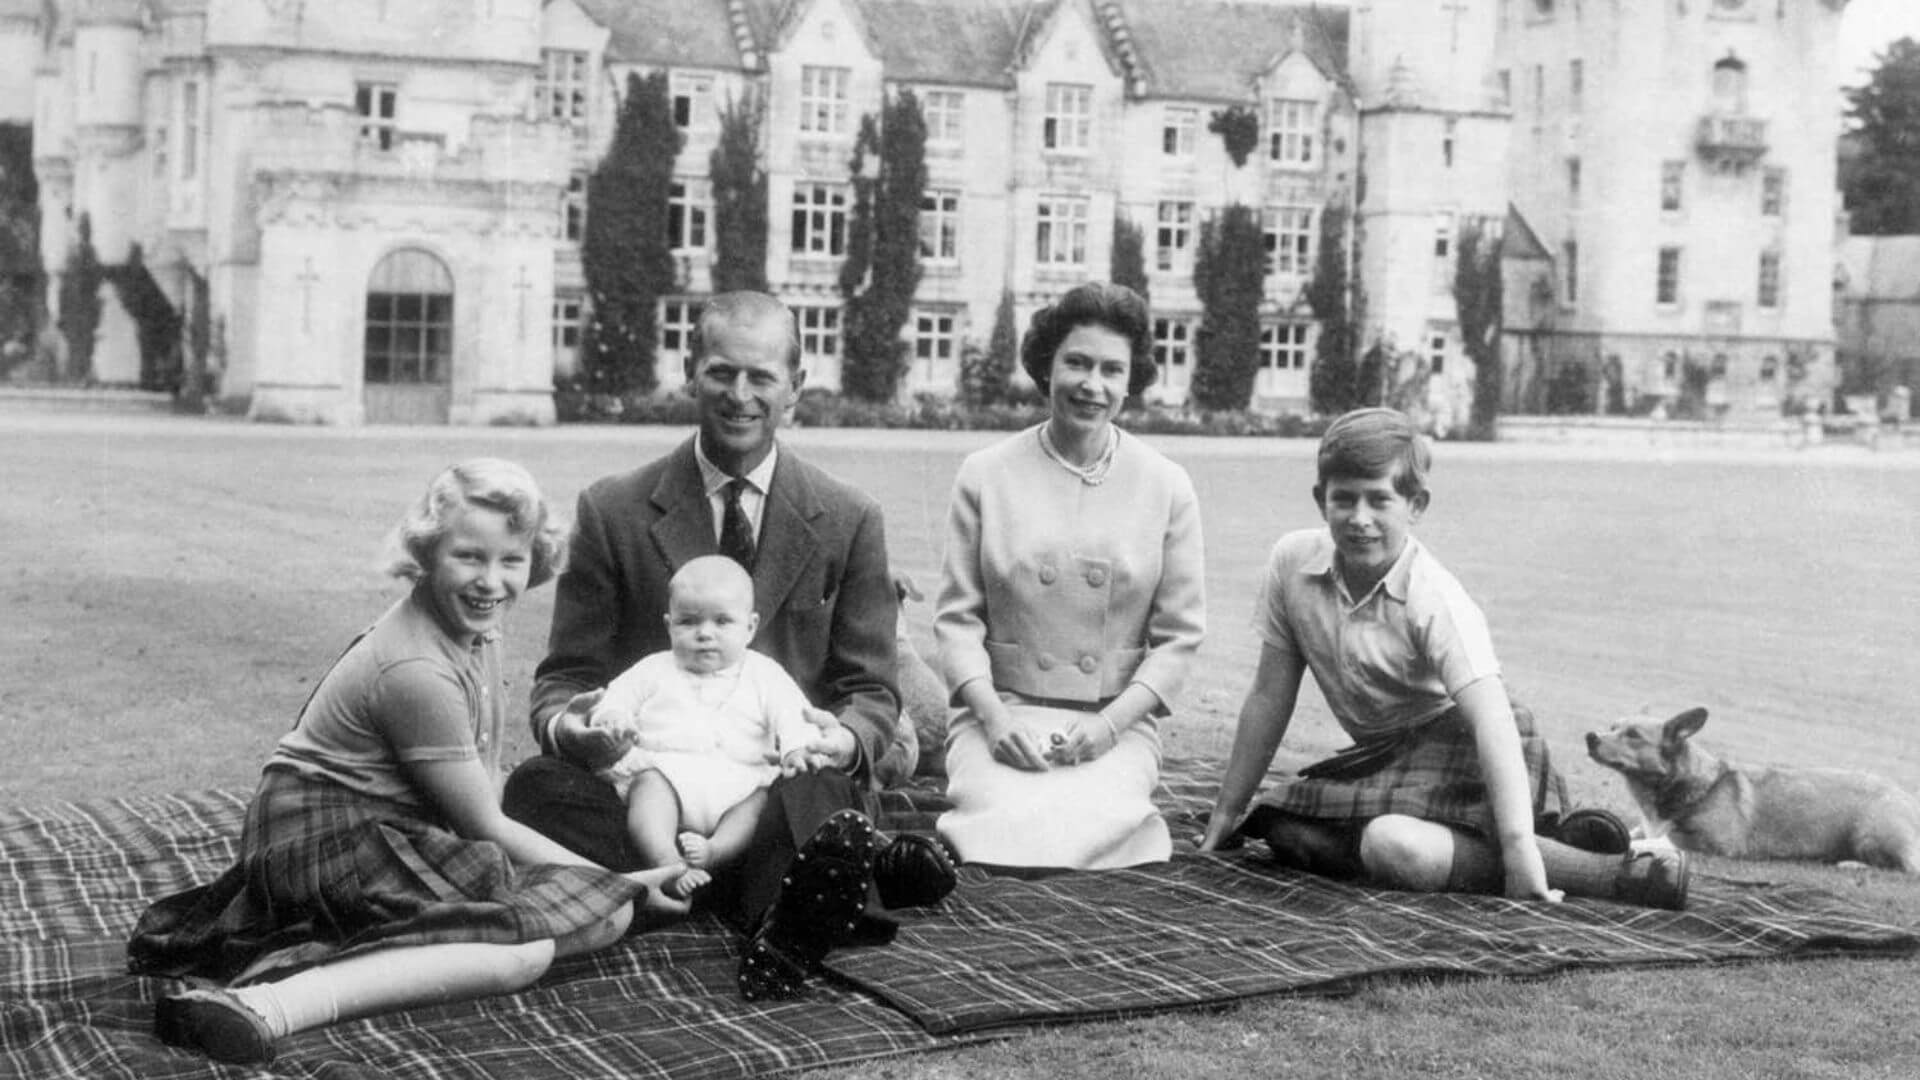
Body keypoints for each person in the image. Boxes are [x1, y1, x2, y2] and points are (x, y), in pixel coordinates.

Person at [127, 460, 689, 1065]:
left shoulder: (476, 630)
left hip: (388, 830)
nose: (491, 581)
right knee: (527, 949)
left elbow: (484, 778)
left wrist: (599, 881)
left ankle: (364, 948)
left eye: (511, 561)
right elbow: (486, 825)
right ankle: (268, 1003)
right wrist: (621, 881)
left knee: (596, 916)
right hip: (320, 837)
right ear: (426, 552)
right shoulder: (415, 669)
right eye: (469, 557)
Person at [501, 291, 955, 1001]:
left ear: (795, 389)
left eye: (761, 377)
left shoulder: (849, 517)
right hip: (645, 787)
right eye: (721, 373)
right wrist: (575, 726)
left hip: (776, 788)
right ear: (690, 372)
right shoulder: (613, 509)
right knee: (536, 788)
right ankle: (800, 894)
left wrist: (843, 740)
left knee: (826, 791)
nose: (739, 395)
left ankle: (683, 893)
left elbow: (871, 690)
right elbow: (565, 677)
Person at [1198, 408, 1690, 910]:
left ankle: (1616, 872)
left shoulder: (1434, 596)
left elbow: (1492, 718)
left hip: (1471, 744)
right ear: (1320, 499)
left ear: (1416, 505)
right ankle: (1561, 837)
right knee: (1280, 828)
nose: (1359, 518)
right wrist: (1225, 812)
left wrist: (1519, 850)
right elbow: (1269, 695)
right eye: (1343, 499)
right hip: (1385, 758)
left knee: (1391, 845)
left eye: (1379, 500)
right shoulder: (1291, 563)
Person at [934, 281, 1205, 870]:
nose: (1092, 385)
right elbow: (956, 621)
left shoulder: (1166, 485)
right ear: (1045, 367)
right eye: (1076, 363)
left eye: (1112, 369)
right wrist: (995, 718)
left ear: (1132, 380)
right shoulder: (984, 475)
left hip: (1111, 721)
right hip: (1002, 712)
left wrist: (1111, 727)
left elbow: (1181, 638)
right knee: (1004, 824)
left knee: (1092, 827)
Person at [588, 555, 820, 898]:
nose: (705, 634)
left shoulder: (765, 674)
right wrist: (614, 718)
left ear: (750, 626)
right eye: (689, 622)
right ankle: (667, 863)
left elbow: (793, 713)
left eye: (723, 621)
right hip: (668, 773)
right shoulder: (653, 669)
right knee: (648, 791)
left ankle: (715, 852)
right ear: (669, 625)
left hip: (738, 780)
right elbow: (616, 699)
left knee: (756, 805)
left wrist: (796, 747)